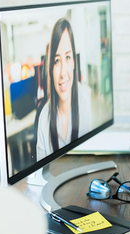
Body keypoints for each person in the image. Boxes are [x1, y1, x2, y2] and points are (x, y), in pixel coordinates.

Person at [36, 18, 92, 160]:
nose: (62, 73)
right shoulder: (44, 119)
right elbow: (40, 174)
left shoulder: (83, 99)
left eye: (67, 57)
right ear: (50, 69)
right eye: (56, 61)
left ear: (74, 61)